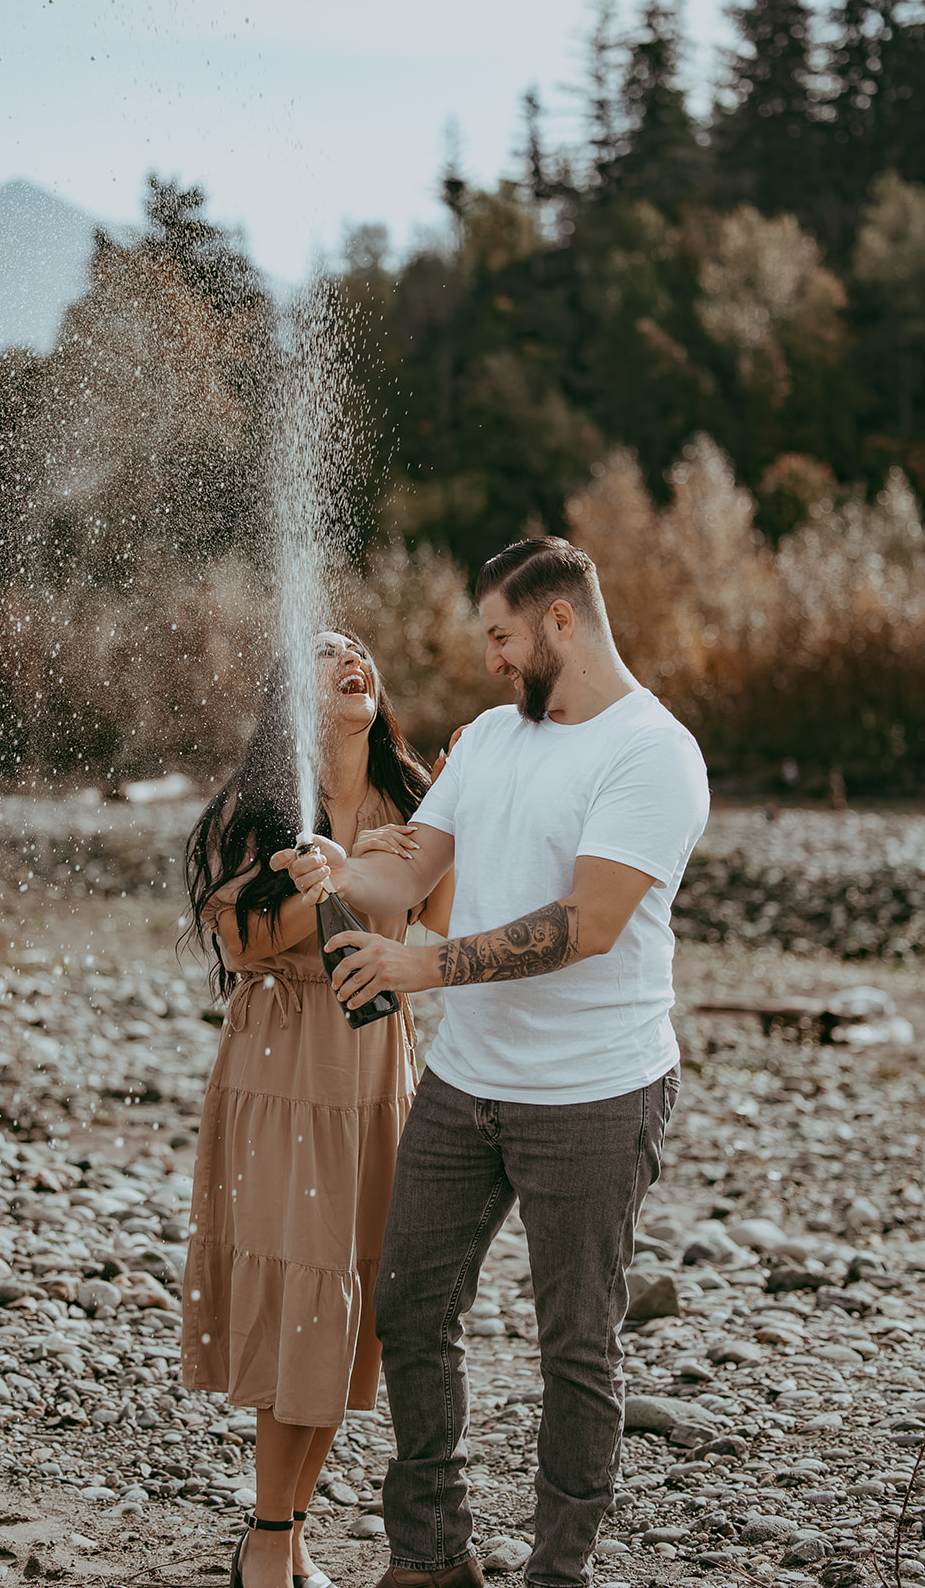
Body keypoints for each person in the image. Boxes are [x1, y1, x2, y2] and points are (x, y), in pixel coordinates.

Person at [274, 539, 710, 1588]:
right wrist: (342, 868)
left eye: (501, 636)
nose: (491, 659)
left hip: (594, 1096)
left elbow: (588, 922)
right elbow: (416, 863)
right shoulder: (486, 743)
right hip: (465, 1086)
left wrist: (419, 967)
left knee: (575, 1348)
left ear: (561, 622)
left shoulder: (650, 752)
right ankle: (431, 1559)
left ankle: (556, 1574)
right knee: (411, 1312)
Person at [181, 631, 453, 1588]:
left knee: (350, 1301)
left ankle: (286, 1534)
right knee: (304, 1293)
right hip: (281, 1062)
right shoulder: (252, 810)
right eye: (326, 652)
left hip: (375, 1071)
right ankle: (266, 1536)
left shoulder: (409, 801)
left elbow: (448, 916)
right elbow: (244, 944)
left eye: (361, 650)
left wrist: (463, 820)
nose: (354, 660)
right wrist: (324, 880)